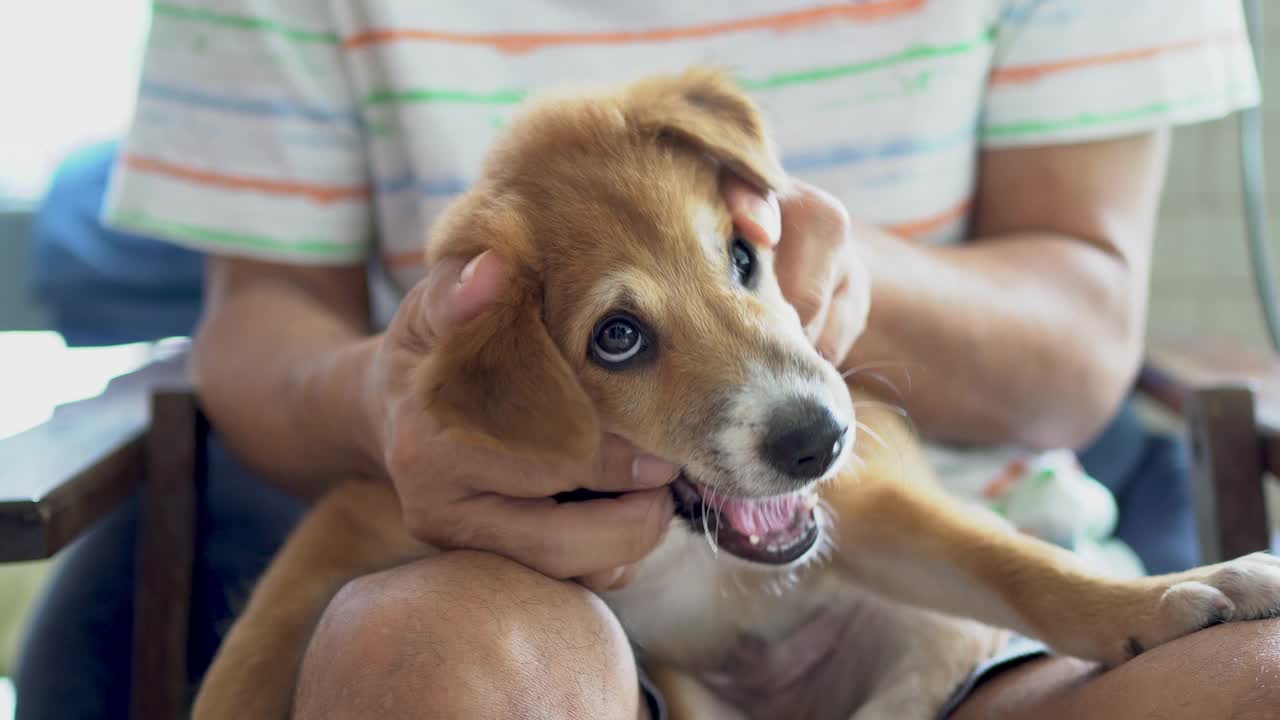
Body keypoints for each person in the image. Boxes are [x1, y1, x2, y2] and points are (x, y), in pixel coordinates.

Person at [15, 2, 1276, 718]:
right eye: (620, 335)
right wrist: (389, 400)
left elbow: (1083, 334)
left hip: (966, 626)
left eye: (733, 260)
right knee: (426, 657)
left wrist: (856, 283)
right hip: (574, 629)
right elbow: (257, 328)